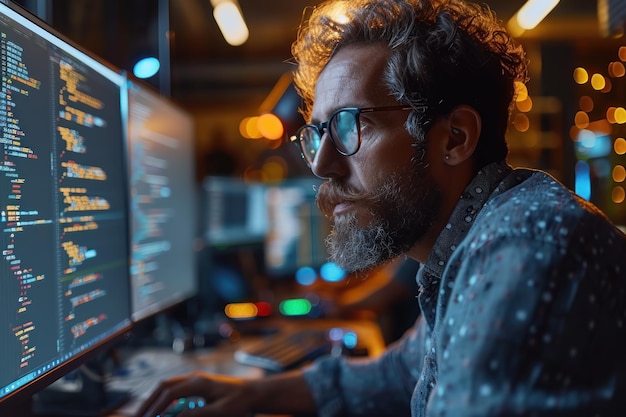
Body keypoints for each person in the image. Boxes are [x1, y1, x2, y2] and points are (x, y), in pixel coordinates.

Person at [137, 0, 626, 415]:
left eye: (352, 125)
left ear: (454, 137)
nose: (323, 164)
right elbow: (398, 370)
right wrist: (251, 394)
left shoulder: (525, 251)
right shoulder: (468, 249)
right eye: (319, 134)